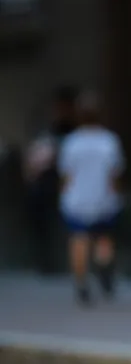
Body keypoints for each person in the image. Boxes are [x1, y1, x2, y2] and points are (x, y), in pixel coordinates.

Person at [57, 91, 124, 305]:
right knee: (103, 238)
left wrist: (64, 194)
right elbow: (115, 173)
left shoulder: (72, 142)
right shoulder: (109, 141)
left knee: (79, 239)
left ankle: (81, 281)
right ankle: (103, 268)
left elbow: (66, 174)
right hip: (103, 197)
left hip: (77, 198)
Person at [23, 85, 78, 273]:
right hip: (47, 183)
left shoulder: (75, 131)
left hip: (68, 183)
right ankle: (45, 261)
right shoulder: (49, 130)